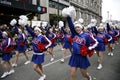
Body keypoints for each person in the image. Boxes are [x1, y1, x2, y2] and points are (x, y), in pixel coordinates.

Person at [62, 6, 98, 80]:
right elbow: (70, 24)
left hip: (82, 57)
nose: (77, 28)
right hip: (74, 56)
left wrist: (88, 48)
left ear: (82, 27)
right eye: (76, 27)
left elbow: (95, 42)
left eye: (78, 27)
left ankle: (89, 77)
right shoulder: (74, 34)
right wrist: (68, 15)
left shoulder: (87, 35)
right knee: (72, 74)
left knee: (84, 74)